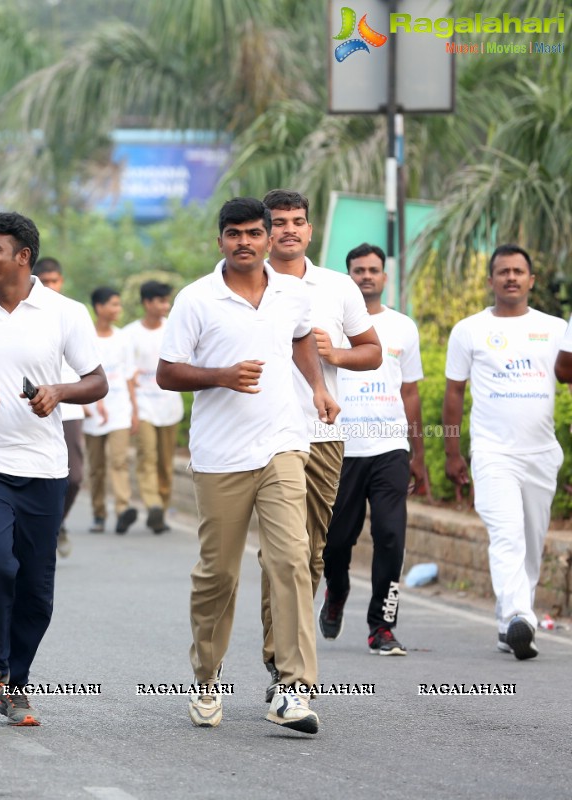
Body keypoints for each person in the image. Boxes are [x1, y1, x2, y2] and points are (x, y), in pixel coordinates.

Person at [157, 197, 338, 734]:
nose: (245, 242)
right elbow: (168, 372)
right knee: (219, 573)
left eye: (253, 233)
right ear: (220, 241)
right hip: (220, 457)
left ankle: (292, 688)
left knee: (292, 560)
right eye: (234, 233)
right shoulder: (196, 300)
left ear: (265, 239)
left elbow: (302, 336)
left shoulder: (291, 293)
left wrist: (319, 387)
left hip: (283, 444)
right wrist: (221, 376)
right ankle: (207, 680)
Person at [0, 211, 106, 727]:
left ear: (22, 256)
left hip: (44, 467)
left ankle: (17, 683)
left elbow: (96, 382)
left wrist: (60, 391)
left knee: (35, 588)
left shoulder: (65, 313)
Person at [258, 189, 380, 700]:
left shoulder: (337, 287)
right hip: (263, 434)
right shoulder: (243, 285)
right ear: (264, 231)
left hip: (323, 433)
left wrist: (337, 355)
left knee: (310, 556)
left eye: (298, 221)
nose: (289, 229)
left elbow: (371, 352)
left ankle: (286, 651)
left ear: (311, 231)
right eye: (279, 222)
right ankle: (285, 663)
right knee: (280, 554)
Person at [447, 244, 565, 661]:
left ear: (531, 280)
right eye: (503, 272)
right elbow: (454, 392)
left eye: (519, 271)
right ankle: (519, 615)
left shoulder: (555, 328)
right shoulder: (469, 330)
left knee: (531, 541)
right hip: (493, 452)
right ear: (491, 281)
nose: (511, 277)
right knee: (507, 534)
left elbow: (567, 375)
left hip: (541, 454)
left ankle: (509, 622)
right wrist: (451, 452)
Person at [322, 244, 428, 655]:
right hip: (340, 447)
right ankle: (337, 591)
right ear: (348, 277)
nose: (366, 276)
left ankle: (382, 626)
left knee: (390, 537)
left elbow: (411, 392)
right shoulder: (330, 326)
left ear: (385, 277)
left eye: (374, 270)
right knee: (335, 542)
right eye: (358, 270)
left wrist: (417, 454)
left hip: (390, 448)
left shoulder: (403, 326)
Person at [124, 280, 184, 534]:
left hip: (169, 406)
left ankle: (161, 508)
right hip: (144, 406)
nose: (165, 306)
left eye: (167, 301)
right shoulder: (129, 334)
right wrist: (134, 411)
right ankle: (153, 504)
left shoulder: (174, 328)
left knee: (165, 463)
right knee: (147, 457)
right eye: (160, 301)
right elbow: (127, 376)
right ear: (147, 303)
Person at [33, 257, 83, 558]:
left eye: (56, 280)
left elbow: (92, 367)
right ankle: (42, 525)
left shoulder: (72, 312)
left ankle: (57, 521)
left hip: (71, 407)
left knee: (75, 477)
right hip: (34, 406)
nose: (51, 286)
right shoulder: (27, 314)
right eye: (45, 281)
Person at [83, 286, 139, 534]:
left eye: (119, 304)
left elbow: (129, 377)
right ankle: (98, 514)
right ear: (99, 307)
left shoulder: (123, 338)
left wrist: (134, 410)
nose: (118, 309)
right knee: (96, 467)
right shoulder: (85, 338)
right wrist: (85, 405)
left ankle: (122, 509)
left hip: (119, 410)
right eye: (113, 304)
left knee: (119, 461)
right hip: (92, 411)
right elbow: (77, 374)